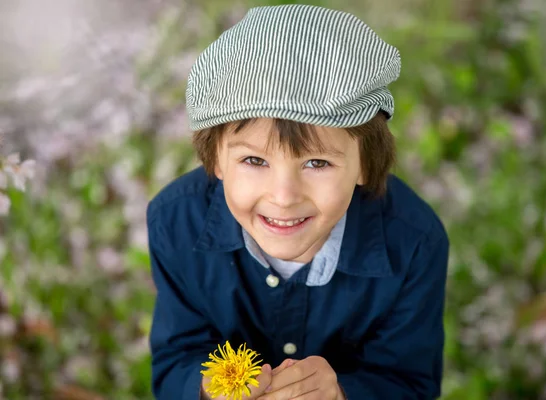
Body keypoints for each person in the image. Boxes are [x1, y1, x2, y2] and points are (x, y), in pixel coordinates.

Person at [148, 4, 449, 399]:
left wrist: (342, 393)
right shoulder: (174, 221)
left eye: (317, 162)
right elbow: (175, 360)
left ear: (364, 164)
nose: (284, 197)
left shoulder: (415, 241)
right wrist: (206, 390)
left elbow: (410, 382)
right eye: (254, 160)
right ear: (217, 158)